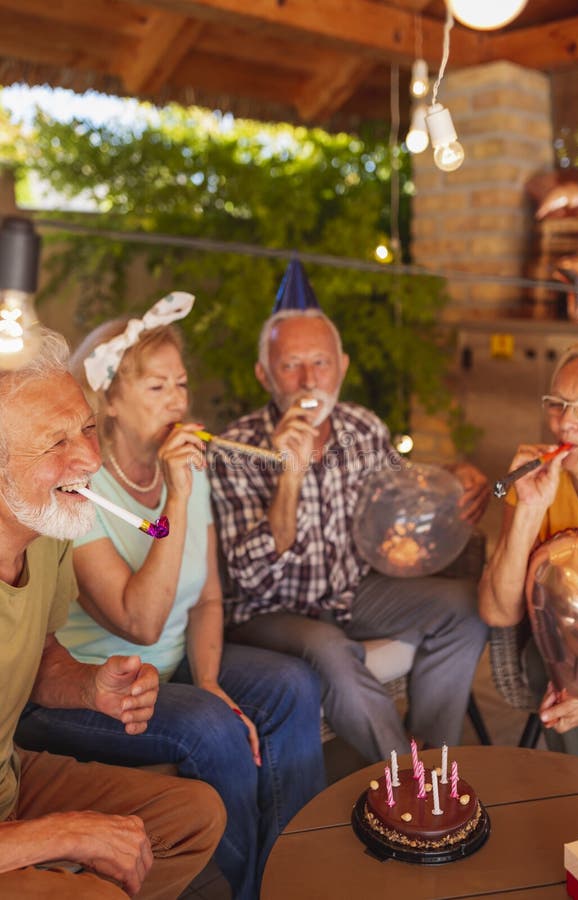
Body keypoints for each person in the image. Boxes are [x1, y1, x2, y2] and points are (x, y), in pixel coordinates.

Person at [16, 294, 326, 900]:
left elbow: (208, 600)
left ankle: (297, 864)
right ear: (109, 399)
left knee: (294, 685)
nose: (179, 403)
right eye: (158, 387)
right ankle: (253, 887)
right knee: (214, 731)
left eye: (181, 385)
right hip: (99, 680)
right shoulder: (80, 492)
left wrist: (208, 677)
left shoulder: (184, 467)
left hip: (178, 660)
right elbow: (141, 620)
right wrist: (178, 498)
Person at [209, 306, 490, 763]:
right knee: (328, 647)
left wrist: (452, 479)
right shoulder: (235, 449)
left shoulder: (364, 428)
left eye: (320, 362)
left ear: (342, 366)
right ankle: (410, 786)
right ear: (264, 375)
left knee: (466, 608)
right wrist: (291, 475)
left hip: (352, 592)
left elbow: (401, 507)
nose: (308, 380)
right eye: (290, 365)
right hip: (269, 611)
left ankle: (436, 762)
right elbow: (251, 580)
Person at [0, 327, 225, 898]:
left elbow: (44, 654)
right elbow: (141, 620)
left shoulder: (48, 531)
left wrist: (90, 685)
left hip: (10, 782)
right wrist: (65, 834)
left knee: (197, 815)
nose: (89, 460)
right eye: (55, 444)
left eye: (87, 429)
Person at [479, 340, 578, 760]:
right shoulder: (540, 484)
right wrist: (529, 508)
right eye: (559, 404)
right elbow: (498, 613)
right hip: (569, 654)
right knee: (561, 668)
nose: (567, 422)